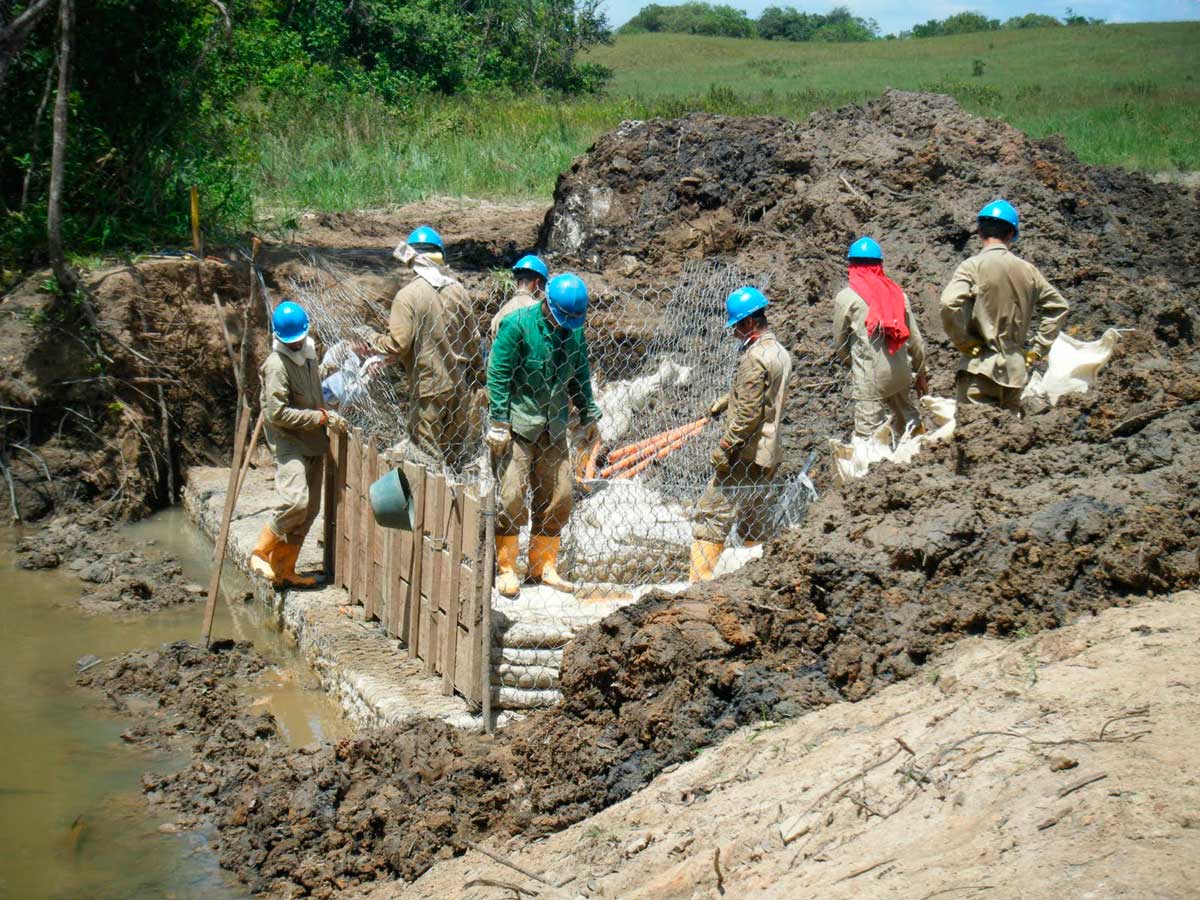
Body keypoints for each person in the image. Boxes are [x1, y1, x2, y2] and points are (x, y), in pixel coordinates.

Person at [486, 273, 602, 598]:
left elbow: (580, 374)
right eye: (559, 317)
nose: (564, 325)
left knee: (560, 495)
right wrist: (498, 420)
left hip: (553, 426)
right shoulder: (518, 324)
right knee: (511, 495)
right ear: (546, 303)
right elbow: (498, 373)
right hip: (520, 425)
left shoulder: (573, 332)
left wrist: (589, 412)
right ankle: (506, 567)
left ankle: (542, 566)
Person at [691, 287, 792, 584]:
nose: (734, 332)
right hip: (769, 452)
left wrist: (725, 447)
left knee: (710, 515)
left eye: (736, 325)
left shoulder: (754, 358)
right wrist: (728, 398)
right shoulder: (779, 352)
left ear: (749, 323)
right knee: (755, 521)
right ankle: (752, 580)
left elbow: (748, 414)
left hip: (744, 454)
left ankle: (697, 585)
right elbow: (765, 397)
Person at [250, 300, 347, 588]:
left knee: (310, 510)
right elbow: (276, 413)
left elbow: (315, 392)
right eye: (291, 342)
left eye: (299, 339)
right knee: (296, 501)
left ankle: (284, 570)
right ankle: (260, 552)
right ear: (279, 338)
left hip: (313, 439)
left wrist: (327, 413)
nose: (296, 345)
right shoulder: (277, 365)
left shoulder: (309, 353)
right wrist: (319, 417)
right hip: (289, 440)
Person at [939, 200, 1069, 412]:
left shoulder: (972, 266)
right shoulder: (1029, 271)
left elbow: (948, 303)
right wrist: (1037, 350)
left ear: (980, 232)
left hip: (979, 369)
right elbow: (1058, 307)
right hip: (1015, 373)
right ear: (1011, 235)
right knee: (1006, 436)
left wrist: (963, 342)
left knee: (975, 436)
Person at [368, 225, 481, 468]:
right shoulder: (458, 290)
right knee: (455, 461)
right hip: (459, 390)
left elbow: (398, 344)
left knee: (428, 462)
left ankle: (432, 505)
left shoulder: (407, 295)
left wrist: (371, 338)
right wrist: (479, 379)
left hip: (429, 392)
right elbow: (473, 341)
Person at [833, 236, 929, 439]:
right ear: (880, 264)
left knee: (869, 436)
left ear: (851, 265)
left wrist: (857, 364)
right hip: (901, 373)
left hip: (871, 377)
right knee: (909, 421)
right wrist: (921, 374)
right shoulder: (898, 295)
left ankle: (875, 467)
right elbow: (916, 341)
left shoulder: (846, 298)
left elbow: (840, 345)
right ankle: (922, 454)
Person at [490, 255, 548, 340]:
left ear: (517, 282)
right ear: (537, 283)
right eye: (542, 287)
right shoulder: (539, 311)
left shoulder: (499, 315)